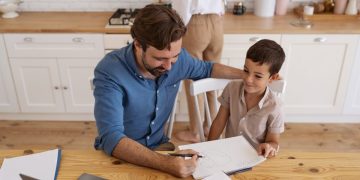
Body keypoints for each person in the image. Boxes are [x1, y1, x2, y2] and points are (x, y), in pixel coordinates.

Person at [93, 5, 245, 178]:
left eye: (174, 57)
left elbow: (208, 68)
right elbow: (111, 137)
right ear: (138, 45)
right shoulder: (110, 70)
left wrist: (248, 75)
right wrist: (167, 163)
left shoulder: (178, 62)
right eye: (160, 59)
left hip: (160, 149)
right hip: (122, 155)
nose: (168, 66)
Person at [208, 39, 286, 158]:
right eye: (246, 70)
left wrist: (269, 146)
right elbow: (219, 122)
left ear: (272, 78)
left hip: (255, 157)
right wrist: (208, 149)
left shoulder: (275, 107)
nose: (248, 79)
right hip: (228, 154)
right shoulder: (232, 88)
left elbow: (274, 142)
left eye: (258, 76)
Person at [172, 0, 225, 143]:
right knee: (213, 76)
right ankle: (211, 126)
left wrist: (178, 25)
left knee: (193, 78)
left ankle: (195, 131)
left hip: (195, 23)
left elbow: (182, 5)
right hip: (217, 22)